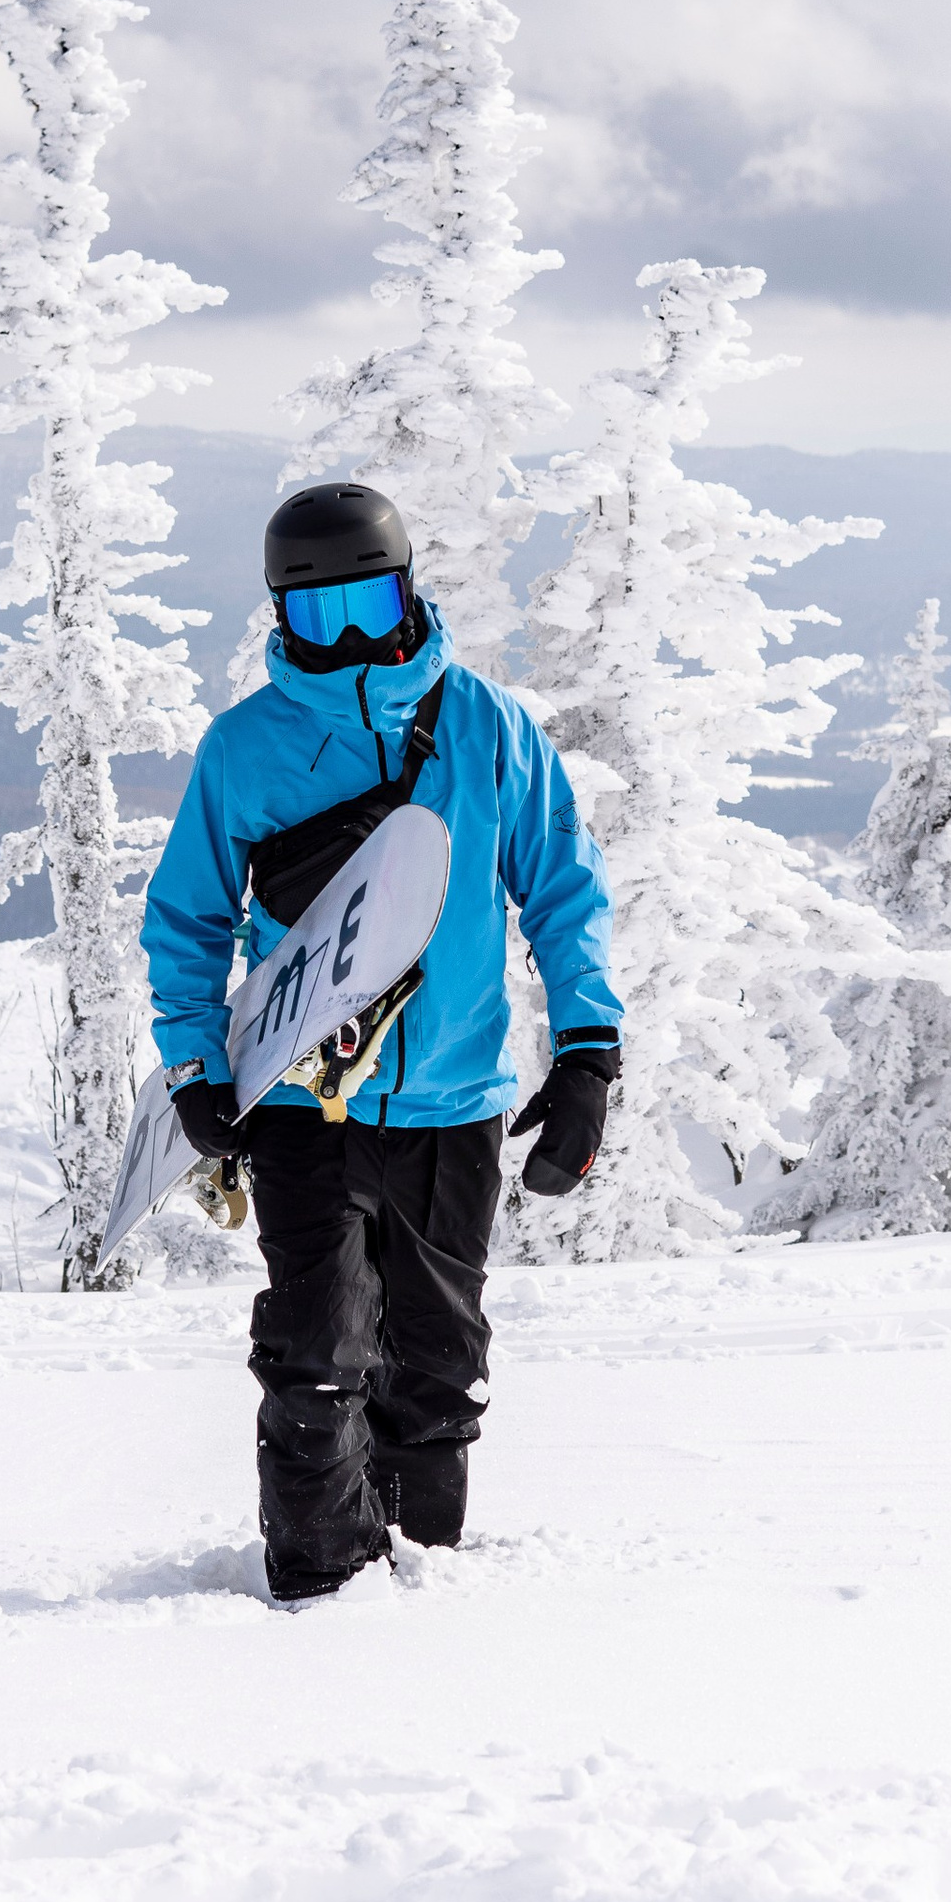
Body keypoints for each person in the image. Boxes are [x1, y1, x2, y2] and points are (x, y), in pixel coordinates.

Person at [142, 481, 623, 1601]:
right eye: (318, 617)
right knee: (315, 1354)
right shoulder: (246, 749)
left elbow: (562, 890)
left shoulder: (485, 727)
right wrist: (194, 1063)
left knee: (438, 1366)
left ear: (408, 586)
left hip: (453, 1101)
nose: (349, 635)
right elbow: (188, 919)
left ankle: (423, 1591)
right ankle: (321, 1590)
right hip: (306, 1101)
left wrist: (589, 1051)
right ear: (279, 618)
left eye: (365, 602)